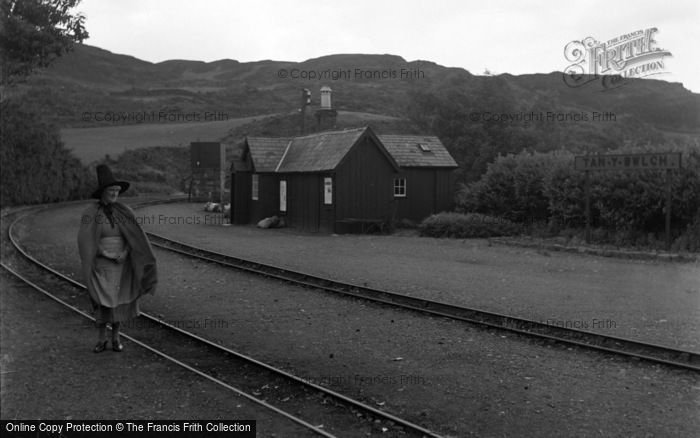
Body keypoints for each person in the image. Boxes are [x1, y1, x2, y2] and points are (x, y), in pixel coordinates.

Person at [77, 165, 157, 352]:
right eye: (111, 190)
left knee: (119, 302)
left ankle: (116, 338)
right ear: (102, 192)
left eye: (117, 191)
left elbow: (134, 237)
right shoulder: (90, 213)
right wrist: (105, 253)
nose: (115, 193)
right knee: (101, 301)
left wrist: (125, 253)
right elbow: (85, 240)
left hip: (121, 264)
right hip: (100, 264)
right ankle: (101, 339)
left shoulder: (124, 211)